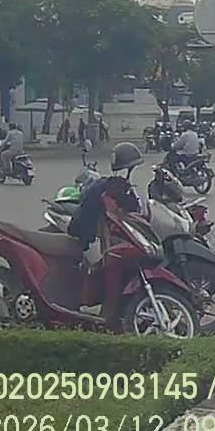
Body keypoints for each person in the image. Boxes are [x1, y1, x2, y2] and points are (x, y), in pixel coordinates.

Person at [68, 142, 143, 331]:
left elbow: (135, 211)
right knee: (112, 261)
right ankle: (108, 312)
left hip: (108, 233)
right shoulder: (103, 192)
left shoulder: (122, 188)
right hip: (94, 234)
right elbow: (103, 218)